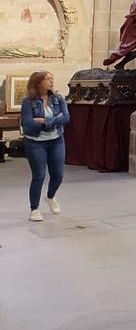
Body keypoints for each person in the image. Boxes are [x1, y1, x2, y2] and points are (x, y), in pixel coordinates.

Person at [20, 71, 69, 222]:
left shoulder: (58, 98)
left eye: (51, 78)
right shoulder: (29, 102)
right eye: (47, 79)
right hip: (35, 142)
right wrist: (55, 120)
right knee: (39, 175)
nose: (51, 81)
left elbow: (66, 118)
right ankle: (34, 209)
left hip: (56, 140)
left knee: (58, 175)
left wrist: (46, 122)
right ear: (38, 83)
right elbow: (28, 124)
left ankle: (50, 196)